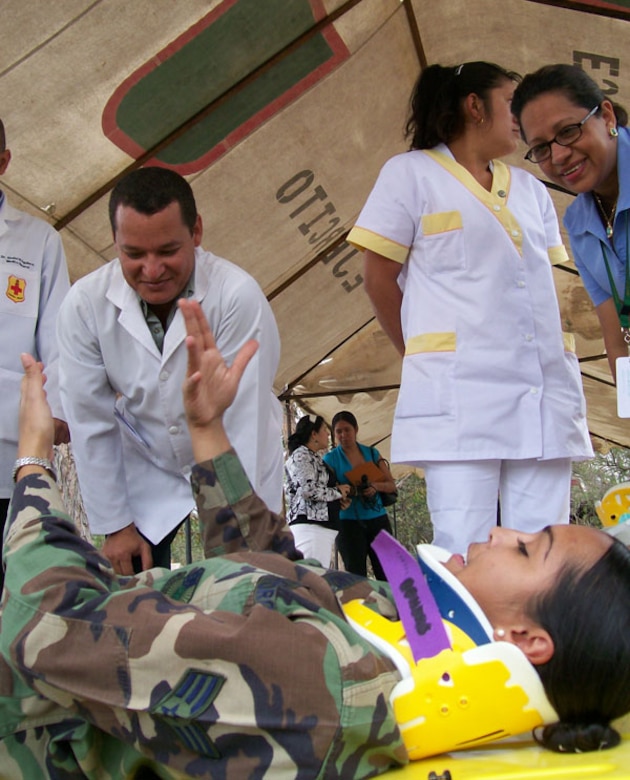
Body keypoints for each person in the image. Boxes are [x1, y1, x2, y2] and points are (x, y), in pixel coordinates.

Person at [2, 300, 630, 780]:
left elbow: (41, 620)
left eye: (525, 549)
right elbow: (272, 578)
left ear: (525, 640)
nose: (498, 531)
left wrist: (31, 460)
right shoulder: (403, 649)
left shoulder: (338, 683)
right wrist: (207, 432)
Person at [347, 62, 593, 554]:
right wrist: (423, 359)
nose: (521, 117)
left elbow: (541, 288)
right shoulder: (410, 173)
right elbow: (378, 279)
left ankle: (533, 633)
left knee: (541, 546)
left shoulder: (529, 189)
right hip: (460, 396)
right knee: (463, 545)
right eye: (511, 102)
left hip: (542, 390)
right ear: (474, 105)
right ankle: (465, 633)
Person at [56, 166, 283, 574]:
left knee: (247, 580)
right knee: (135, 591)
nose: (152, 269)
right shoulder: (84, 305)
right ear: (115, 241)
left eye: (167, 251)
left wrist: (238, 543)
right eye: (134, 254)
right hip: (145, 464)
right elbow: (90, 420)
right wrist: (115, 526)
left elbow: (243, 422)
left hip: (231, 450)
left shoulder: (236, 296)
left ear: (196, 231)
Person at [512, 64, 629, 381]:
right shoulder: (578, 224)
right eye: (541, 148)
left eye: (567, 131)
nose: (559, 155)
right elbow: (618, 340)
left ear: (606, 117)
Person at [0, 118, 70, 591]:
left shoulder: (37, 240)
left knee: (14, 585)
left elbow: (58, 338)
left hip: (12, 442)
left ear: (2, 162)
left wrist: (60, 412)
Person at [323, 411, 397, 579]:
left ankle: (391, 605)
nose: (343, 435)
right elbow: (328, 492)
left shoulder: (372, 453)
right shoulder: (330, 459)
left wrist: (375, 487)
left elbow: (391, 485)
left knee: (388, 573)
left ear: (356, 429)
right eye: (338, 431)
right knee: (356, 577)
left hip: (378, 520)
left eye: (347, 430)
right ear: (334, 435)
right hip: (348, 524)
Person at [284, 414, 351, 566]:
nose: (328, 434)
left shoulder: (313, 457)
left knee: (316, 577)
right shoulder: (301, 455)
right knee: (312, 579)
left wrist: (337, 501)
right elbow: (307, 490)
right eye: (324, 430)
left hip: (319, 529)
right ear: (314, 434)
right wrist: (337, 492)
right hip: (311, 529)